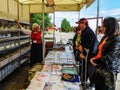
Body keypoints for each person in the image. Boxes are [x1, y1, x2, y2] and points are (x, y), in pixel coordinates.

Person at [90, 17, 120, 90]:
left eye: (103, 26)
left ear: (109, 27)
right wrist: (93, 58)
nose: (101, 28)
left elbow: (109, 57)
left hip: (108, 72)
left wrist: (96, 61)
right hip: (99, 69)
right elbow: (99, 50)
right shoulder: (105, 37)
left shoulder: (116, 40)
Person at [76, 18, 96, 87]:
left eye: (80, 24)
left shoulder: (88, 31)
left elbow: (88, 45)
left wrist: (83, 53)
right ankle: (84, 81)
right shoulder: (84, 31)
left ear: (84, 24)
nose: (79, 25)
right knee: (85, 69)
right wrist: (80, 45)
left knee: (89, 71)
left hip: (90, 55)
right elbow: (83, 42)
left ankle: (91, 85)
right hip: (86, 54)